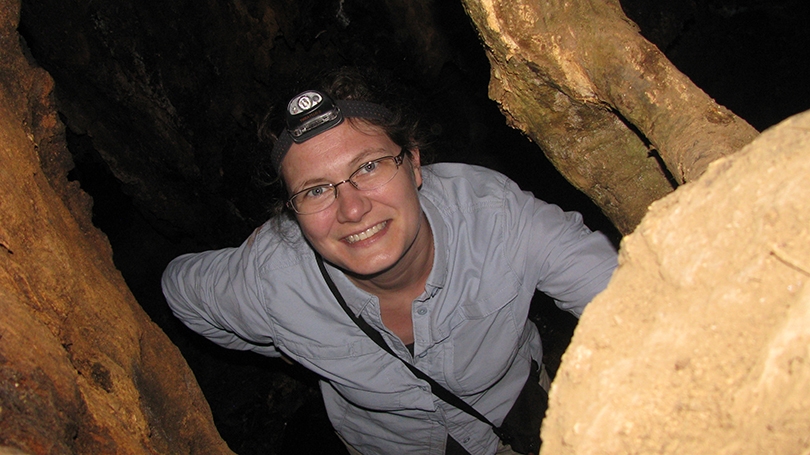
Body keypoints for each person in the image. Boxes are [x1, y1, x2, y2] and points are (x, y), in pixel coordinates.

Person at [162, 67, 618, 455]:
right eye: (316, 190)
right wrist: (289, 343)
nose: (352, 209)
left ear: (414, 164)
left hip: (520, 409)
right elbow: (179, 290)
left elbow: (630, 297)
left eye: (369, 167)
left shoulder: (497, 220)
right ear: (291, 210)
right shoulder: (273, 280)